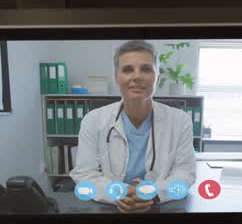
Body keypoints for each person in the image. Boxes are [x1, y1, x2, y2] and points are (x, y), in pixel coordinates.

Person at [68, 40, 197, 213]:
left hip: (160, 207)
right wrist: (117, 193)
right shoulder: (93, 120)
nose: (137, 76)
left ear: (157, 77)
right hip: (110, 207)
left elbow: (185, 173)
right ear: (116, 78)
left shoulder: (180, 121)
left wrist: (154, 193)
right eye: (128, 69)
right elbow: (84, 175)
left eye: (146, 69)